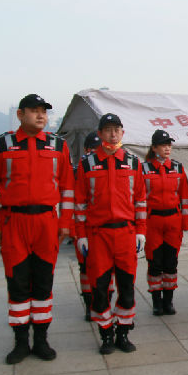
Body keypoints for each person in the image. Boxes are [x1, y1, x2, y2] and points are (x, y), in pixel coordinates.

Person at [0, 94, 73, 364]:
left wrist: (65, 223)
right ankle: (21, 342)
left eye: (43, 111)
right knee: (18, 283)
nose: (41, 115)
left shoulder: (58, 145)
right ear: (20, 115)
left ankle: (41, 340)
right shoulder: (2, 145)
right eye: (34, 111)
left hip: (46, 223)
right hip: (14, 223)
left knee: (44, 282)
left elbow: (68, 188)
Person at [75, 113, 145, 355]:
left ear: (122, 133)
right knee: (100, 288)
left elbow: (140, 201)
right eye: (108, 130)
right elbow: (80, 203)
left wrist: (141, 232)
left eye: (117, 129)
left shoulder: (133, 163)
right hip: (98, 236)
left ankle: (123, 332)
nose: (113, 134)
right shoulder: (87, 163)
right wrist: (81, 235)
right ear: (100, 133)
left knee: (127, 287)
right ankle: (106, 333)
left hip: (126, 234)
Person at [141, 129, 188, 315]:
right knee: (154, 262)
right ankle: (156, 301)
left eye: (169, 145)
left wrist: (186, 222)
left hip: (173, 222)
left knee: (171, 262)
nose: (167, 148)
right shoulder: (143, 169)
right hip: (152, 221)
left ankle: (168, 300)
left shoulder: (177, 168)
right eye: (163, 145)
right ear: (154, 148)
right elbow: (139, 197)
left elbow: (184, 197)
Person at [75, 132, 103, 320]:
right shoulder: (77, 169)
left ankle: (101, 302)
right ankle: (88, 303)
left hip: (99, 227)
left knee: (102, 268)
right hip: (81, 226)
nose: (94, 152)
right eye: (92, 149)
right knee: (85, 267)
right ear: (86, 149)